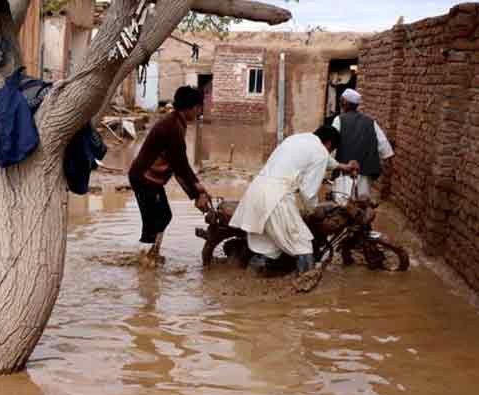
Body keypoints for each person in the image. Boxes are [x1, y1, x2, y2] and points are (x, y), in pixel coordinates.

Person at [228, 126, 359, 274]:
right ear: (329, 144)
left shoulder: (297, 139)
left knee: (271, 244)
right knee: (303, 244)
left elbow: (324, 159)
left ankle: (251, 273)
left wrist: (344, 167)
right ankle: (306, 284)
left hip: (256, 191)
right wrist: (314, 210)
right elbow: (308, 192)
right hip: (277, 198)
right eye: (331, 149)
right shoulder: (321, 151)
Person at [128, 86, 211, 263]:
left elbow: (178, 167)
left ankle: (151, 256)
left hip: (150, 179)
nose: (199, 112)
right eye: (198, 108)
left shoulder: (177, 122)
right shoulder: (173, 127)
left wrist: (196, 192)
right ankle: (144, 263)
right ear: (191, 107)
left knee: (163, 216)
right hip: (144, 178)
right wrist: (197, 192)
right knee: (156, 220)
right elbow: (180, 165)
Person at [331, 88, 394, 203]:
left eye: (341, 101)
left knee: (343, 204)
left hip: (345, 170)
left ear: (344, 103)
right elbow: (385, 148)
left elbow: (332, 144)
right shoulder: (370, 122)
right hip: (365, 171)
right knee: (362, 204)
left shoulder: (339, 120)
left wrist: (330, 163)